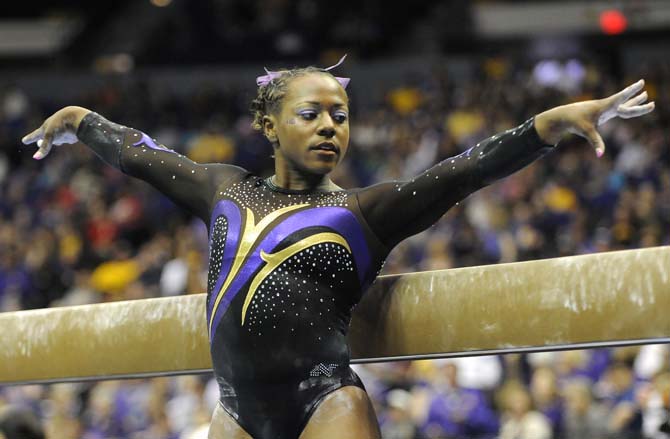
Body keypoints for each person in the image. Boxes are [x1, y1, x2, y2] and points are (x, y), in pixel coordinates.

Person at [21, 56, 654, 438]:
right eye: (311, 113)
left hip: (325, 403)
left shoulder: (364, 212)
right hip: (237, 412)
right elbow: (140, 155)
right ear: (268, 125)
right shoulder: (223, 191)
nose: (330, 125)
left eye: (341, 115)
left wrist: (546, 126)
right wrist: (79, 119)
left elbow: (465, 169)